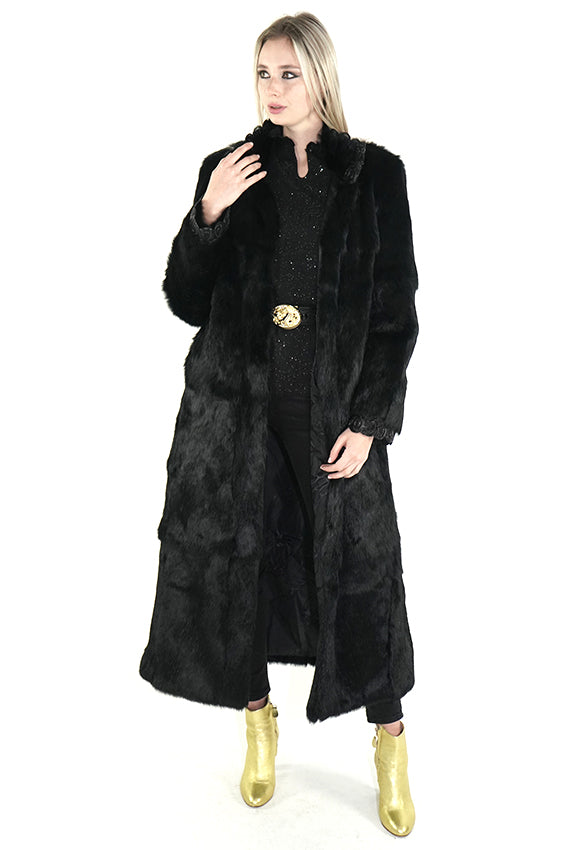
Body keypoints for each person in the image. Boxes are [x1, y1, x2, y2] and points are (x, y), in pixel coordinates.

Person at [139, 11, 419, 837]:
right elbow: (186, 301)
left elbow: (394, 317)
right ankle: (257, 724)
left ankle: (390, 744)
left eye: (288, 73)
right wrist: (208, 215)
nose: (273, 88)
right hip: (235, 420)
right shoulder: (228, 168)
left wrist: (369, 421)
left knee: (362, 579)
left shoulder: (374, 175)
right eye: (263, 72)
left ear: (319, 76)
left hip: (331, 416)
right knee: (244, 576)